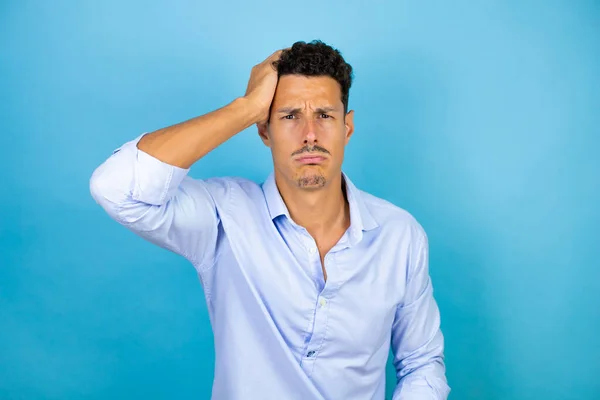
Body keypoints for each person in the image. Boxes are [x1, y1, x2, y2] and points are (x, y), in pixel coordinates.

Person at [90, 40, 450, 400]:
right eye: (290, 115)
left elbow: (422, 362)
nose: (310, 134)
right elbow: (117, 188)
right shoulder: (223, 217)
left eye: (324, 115)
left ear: (347, 127)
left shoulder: (400, 236)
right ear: (264, 130)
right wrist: (244, 109)